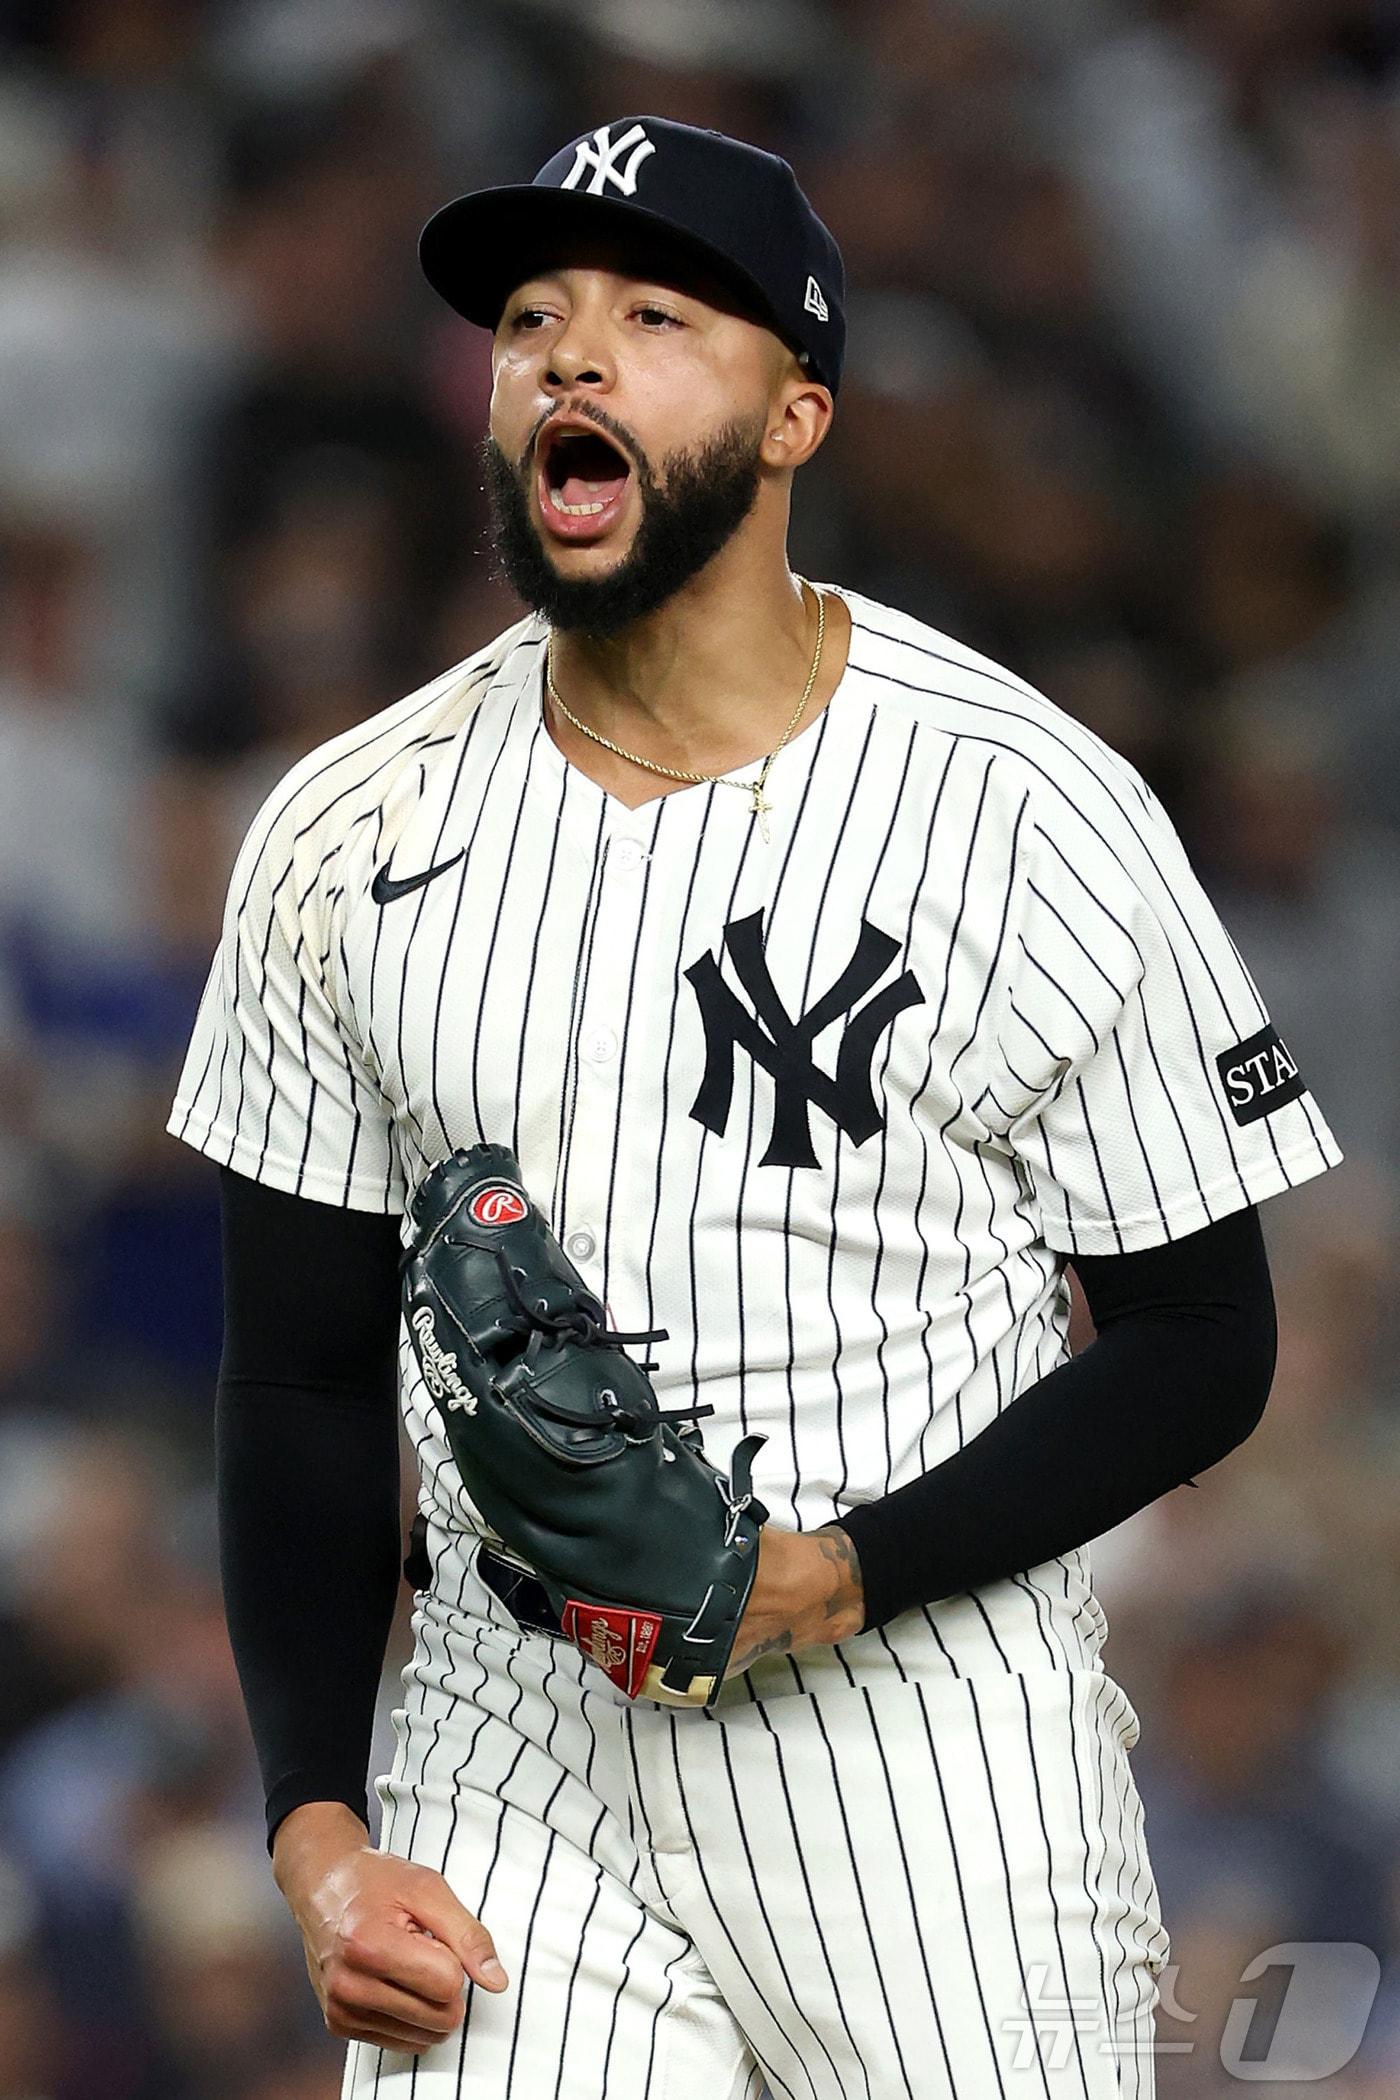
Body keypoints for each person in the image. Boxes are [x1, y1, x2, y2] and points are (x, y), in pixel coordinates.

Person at [169, 117, 1341, 2100]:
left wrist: (837, 1571)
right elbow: (295, 1378)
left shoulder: (1022, 803)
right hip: (514, 1743)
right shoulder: (340, 830)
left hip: (926, 1744)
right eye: (529, 318)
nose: (568, 353)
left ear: (796, 415)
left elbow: (1202, 1340)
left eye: (653, 316)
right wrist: (315, 1824)